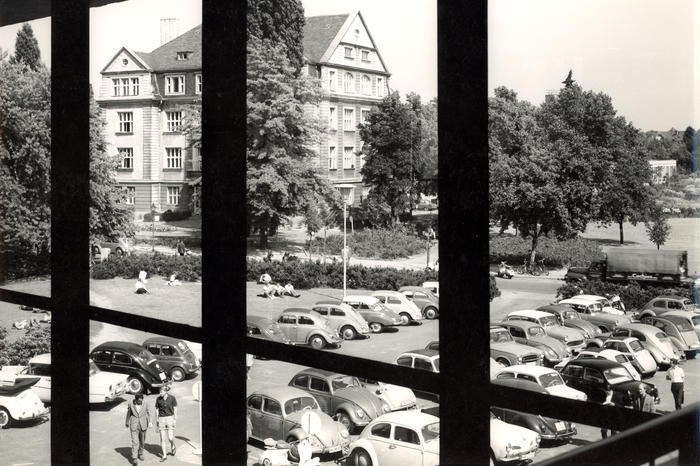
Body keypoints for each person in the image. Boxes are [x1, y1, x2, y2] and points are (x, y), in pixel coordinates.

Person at [125, 393, 152, 465]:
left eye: (142, 400)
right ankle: (134, 458)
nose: (141, 402)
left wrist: (150, 421)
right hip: (134, 424)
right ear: (135, 400)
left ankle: (140, 453)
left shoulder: (145, 403)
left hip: (143, 424)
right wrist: (127, 422)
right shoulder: (131, 403)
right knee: (135, 442)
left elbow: (149, 413)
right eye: (139, 401)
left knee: (142, 441)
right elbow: (129, 413)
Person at [155, 385, 178, 461]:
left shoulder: (172, 398)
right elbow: (157, 410)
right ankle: (164, 455)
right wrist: (157, 420)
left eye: (161, 392)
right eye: (159, 392)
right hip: (161, 419)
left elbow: (175, 408)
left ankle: (173, 445)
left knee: (170, 438)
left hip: (170, 418)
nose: (160, 393)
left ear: (165, 391)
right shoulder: (158, 399)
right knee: (162, 438)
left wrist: (175, 419)